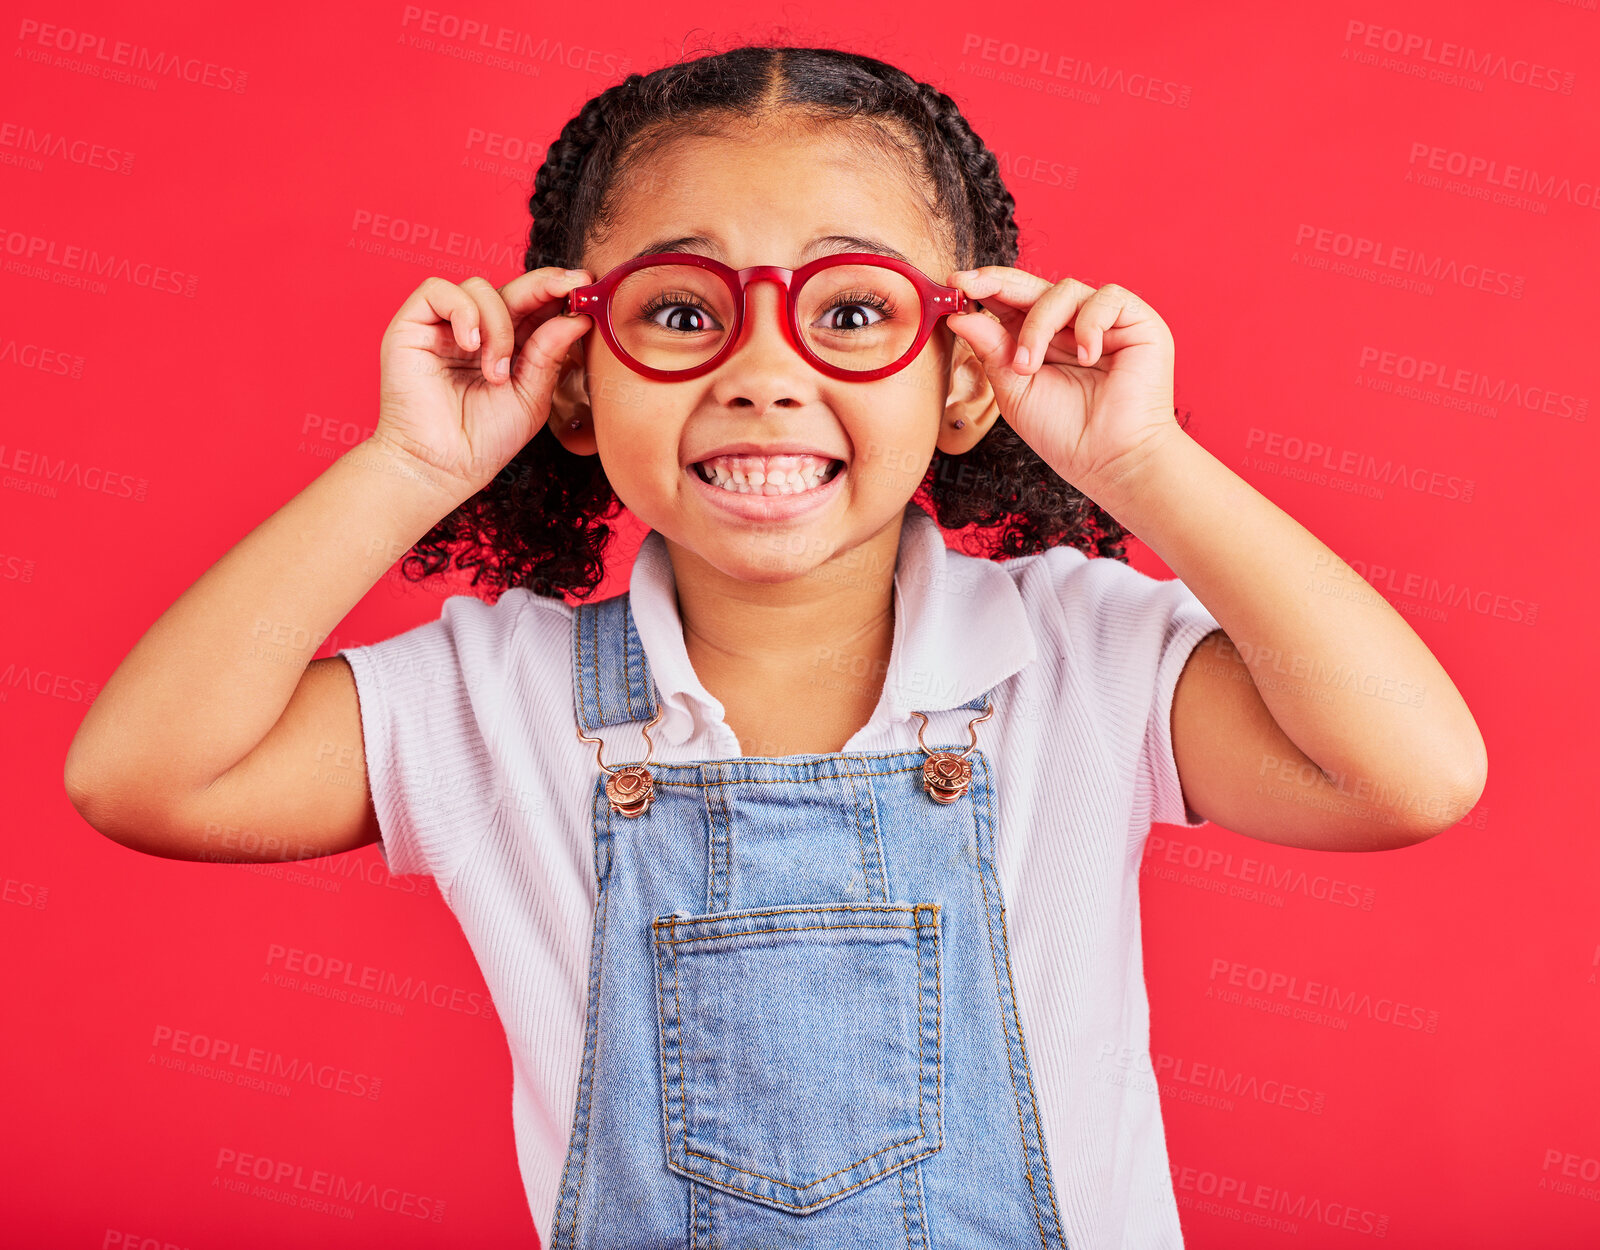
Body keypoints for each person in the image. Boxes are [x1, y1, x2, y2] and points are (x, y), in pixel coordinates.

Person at [63, 43, 1487, 1250]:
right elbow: (147, 776)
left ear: (968, 380)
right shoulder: (496, 697)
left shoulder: (1081, 653)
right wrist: (404, 464)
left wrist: (1148, 460)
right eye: (681, 312)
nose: (762, 369)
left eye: (853, 312)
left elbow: (1408, 775)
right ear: (572, 377)